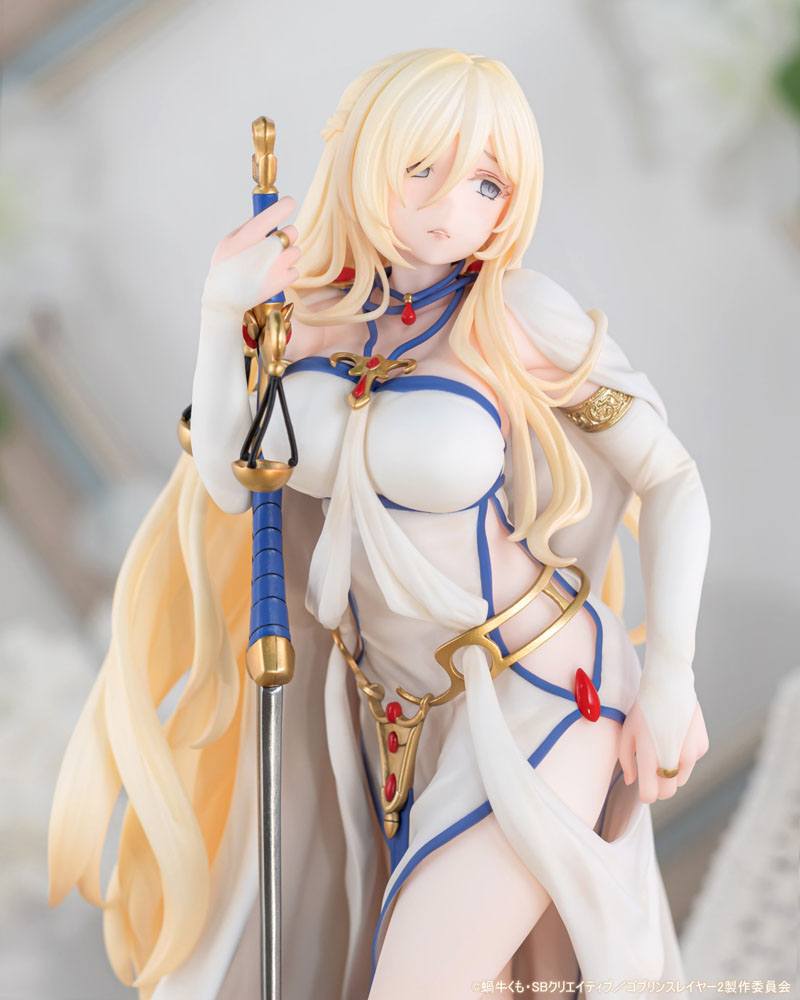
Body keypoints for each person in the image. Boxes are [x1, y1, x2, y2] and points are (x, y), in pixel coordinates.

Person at [48, 47, 711, 1000]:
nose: (450, 208)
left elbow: (671, 475)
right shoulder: (307, 319)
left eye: (487, 184)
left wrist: (674, 675)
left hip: (541, 690)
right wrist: (223, 312)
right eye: (422, 168)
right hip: (387, 722)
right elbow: (231, 482)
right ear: (367, 156)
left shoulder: (516, 316)